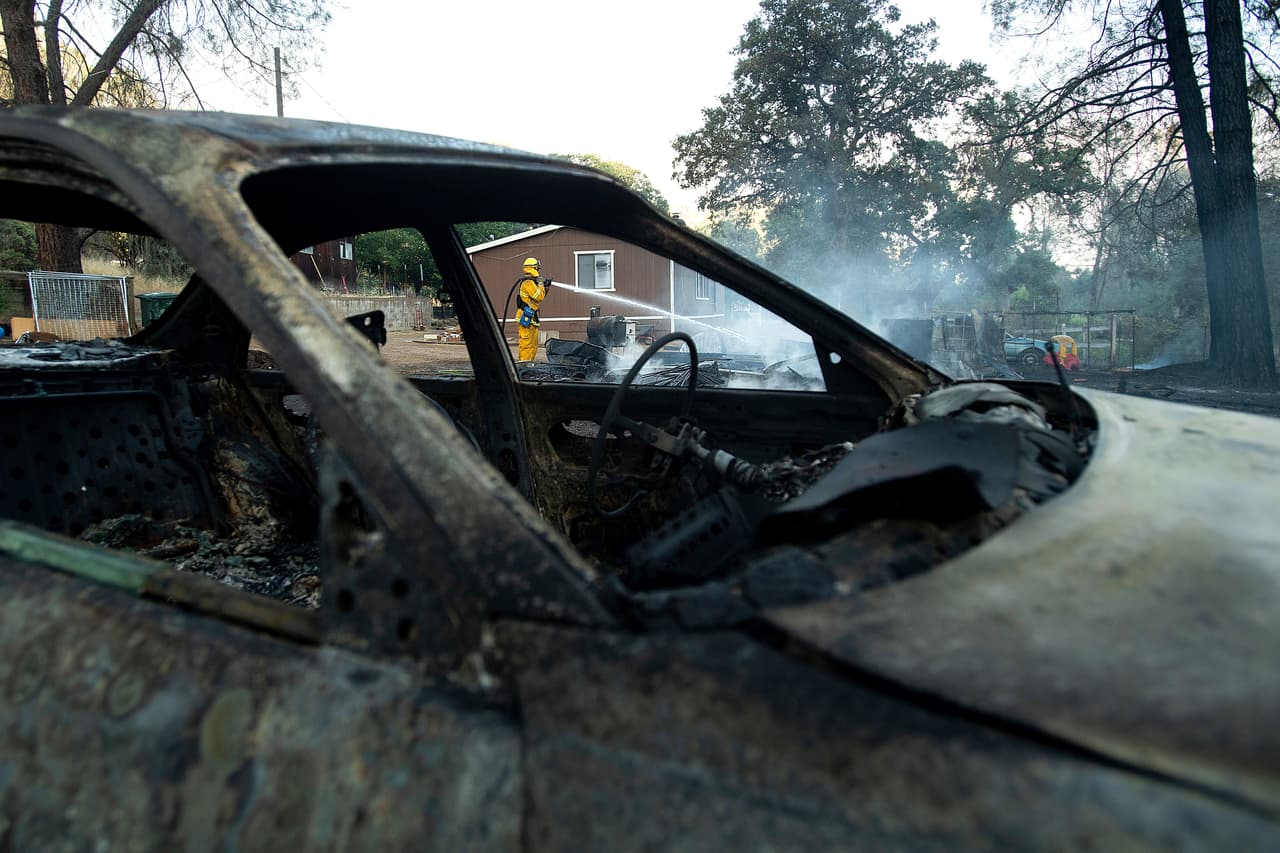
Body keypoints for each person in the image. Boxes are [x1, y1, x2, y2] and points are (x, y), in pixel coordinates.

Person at [515, 257, 548, 362]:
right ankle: (524, 366)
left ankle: (529, 364)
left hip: (530, 316)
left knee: (533, 345)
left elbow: (538, 298)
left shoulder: (532, 282)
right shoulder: (528, 282)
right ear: (534, 268)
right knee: (527, 344)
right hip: (525, 316)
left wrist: (545, 287)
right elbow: (538, 296)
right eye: (537, 269)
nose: (538, 271)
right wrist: (541, 284)